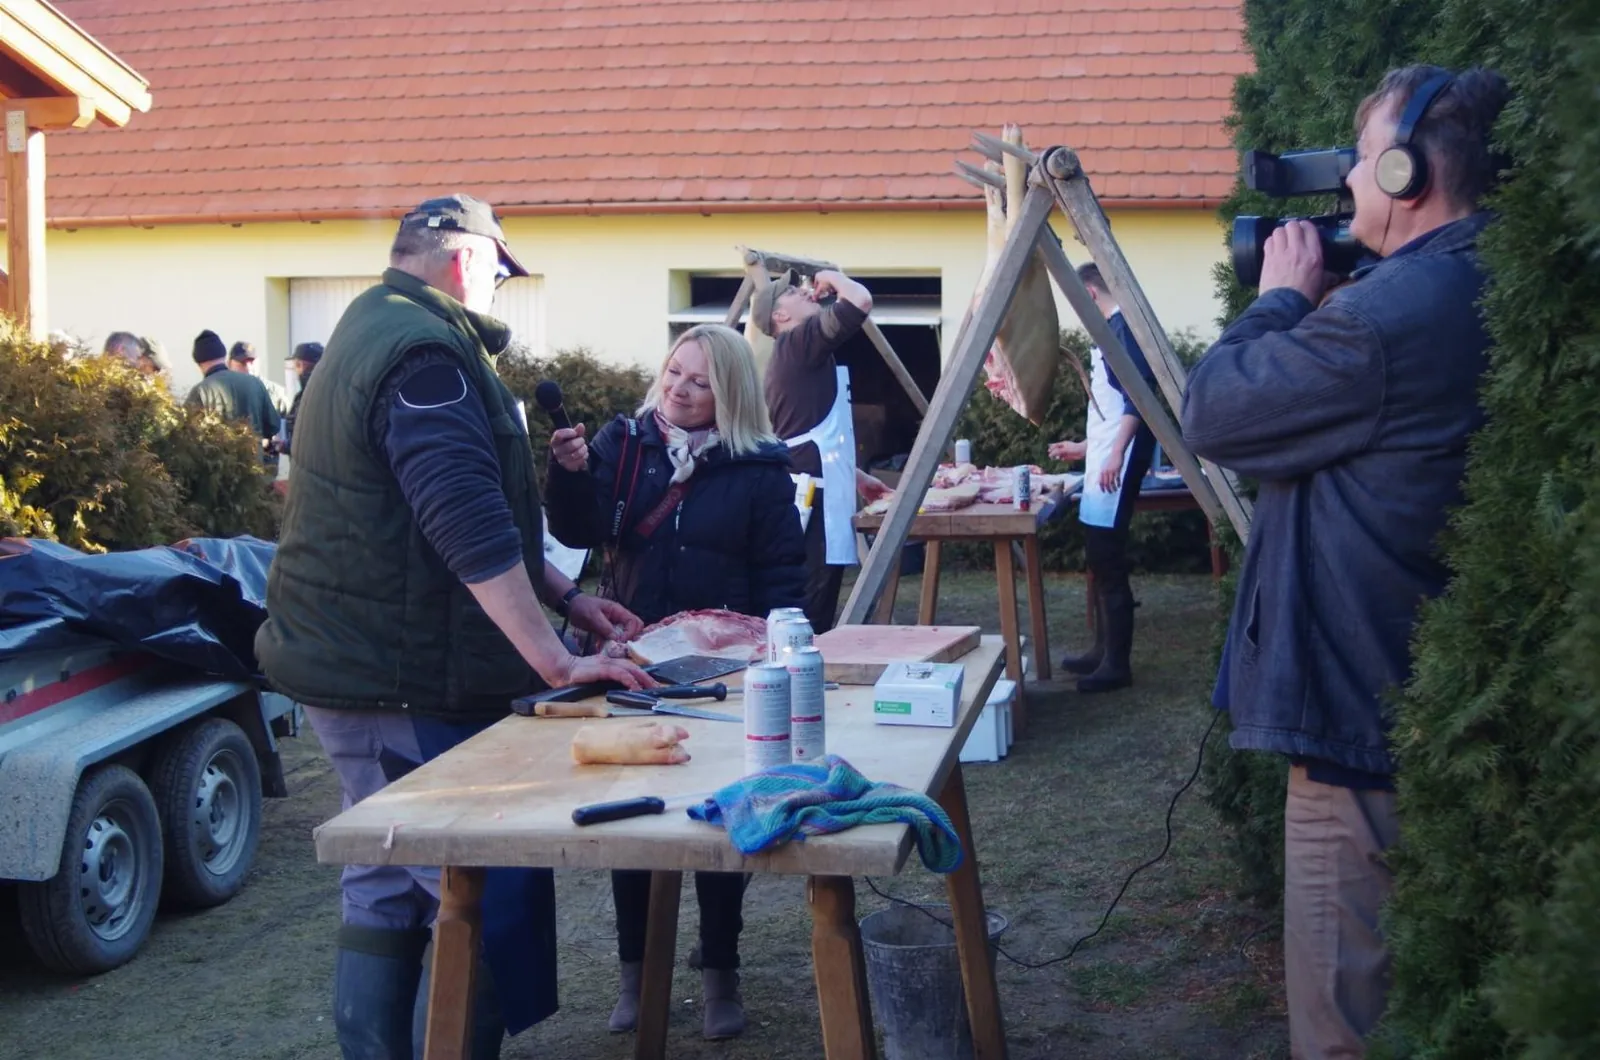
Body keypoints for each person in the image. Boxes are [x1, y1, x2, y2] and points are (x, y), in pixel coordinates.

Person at [255, 193, 654, 1060]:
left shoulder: (373, 325)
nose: (501, 292)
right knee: (467, 884)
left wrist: (566, 597)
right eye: (500, 275)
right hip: (398, 672)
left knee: (387, 874)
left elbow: (451, 516)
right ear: (469, 263)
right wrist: (556, 661)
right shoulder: (425, 352)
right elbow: (463, 519)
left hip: (364, 657)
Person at [1181, 65, 1510, 1058]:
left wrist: (1281, 297)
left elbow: (1215, 411)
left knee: (1338, 1022)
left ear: (1407, 173)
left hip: (1354, 717)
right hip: (1411, 695)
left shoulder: (1381, 318)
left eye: (1360, 164)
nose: (1346, 194)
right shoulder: (1469, 279)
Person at [544, 322, 807, 1041]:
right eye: (674, 371)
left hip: (727, 671)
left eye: (700, 380)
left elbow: (785, 573)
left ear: (731, 394)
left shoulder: (758, 468)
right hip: (632, 659)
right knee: (634, 820)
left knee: (719, 821)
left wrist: (780, 650)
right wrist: (566, 475)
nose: (680, 388)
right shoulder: (621, 443)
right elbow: (577, 531)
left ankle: (721, 973)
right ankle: (638, 975)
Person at [752, 267, 892, 633]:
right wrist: (834, 275)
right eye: (793, 294)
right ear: (779, 317)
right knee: (809, 614)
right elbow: (860, 300)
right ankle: (803, 684)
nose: (805, 292)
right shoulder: (798, 344)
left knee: (813, 605)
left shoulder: (800, 352)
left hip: (820, 487)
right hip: (810, 499)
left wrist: (855, 477)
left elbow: (807, 425)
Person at [1047, 262, 1160, 693]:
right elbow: (1110, 407)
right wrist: (1086, 449)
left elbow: (1138, 401)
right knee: (1097, 555)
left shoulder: (1120, 331)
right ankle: (1101, 651)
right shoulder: (1112, 330)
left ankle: (1117, 664)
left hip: (1121, 456)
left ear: (1090, 296)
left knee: (1108, 557)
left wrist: (1113, 454)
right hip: (1108, 453)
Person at [185, 329, 282, 462]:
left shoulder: (200, 392)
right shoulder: (255, 383)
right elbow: (273, 426)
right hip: (254, 471)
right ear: (224, 357)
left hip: (219, 474)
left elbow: (189, 441)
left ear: (199, 363)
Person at [277, 340, 322, 457]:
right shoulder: (308, 393)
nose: (295, 371)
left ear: (302, 365)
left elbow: (312, 437)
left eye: (296, 365)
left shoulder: (311, 395)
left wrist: (286, 446)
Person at [229, 339, 291, 414]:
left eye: (252, 362)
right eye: (243, 363)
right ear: (229, 364)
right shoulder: (221, 391)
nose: (249, 367)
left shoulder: (276, 392)